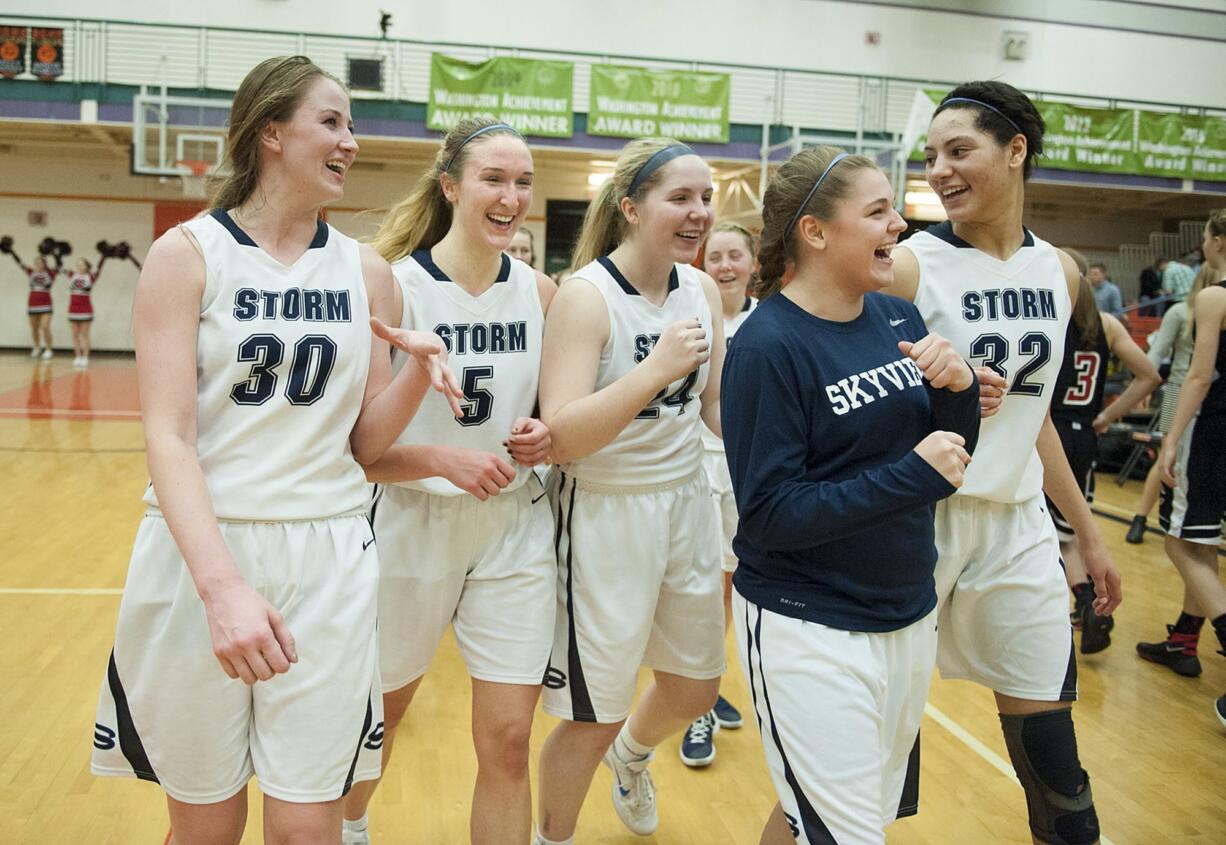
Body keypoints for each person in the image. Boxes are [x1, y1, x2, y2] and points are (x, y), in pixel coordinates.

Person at [89, 55, 463, 845]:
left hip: (327, 553)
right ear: (270, 132)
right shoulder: (186, 255)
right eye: (331, 121)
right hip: (202, 553)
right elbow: (168, 435)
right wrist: (223, 589)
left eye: (351, 126)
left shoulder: (366, 272)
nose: (350, 141)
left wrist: (418, 378)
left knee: (305, 825)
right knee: (207, 828)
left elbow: (365, 445)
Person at [723, 145, 979, 845]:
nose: (899, 223)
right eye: (878, 211)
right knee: (844, 833)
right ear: (815, 232)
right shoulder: (766, 346)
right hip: (808, 623)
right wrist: (911, 475)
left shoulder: (897, 319)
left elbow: (950, 459)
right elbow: (770, 513)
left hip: (905, 612)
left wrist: (958, 395)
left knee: (838, 818)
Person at [889, 81, 1123, 845]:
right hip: (919, 519)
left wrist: (1086, 535)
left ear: (1016, 151)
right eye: (932, 156)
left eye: (960, 151)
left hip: (1019, 525)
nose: (940, 171)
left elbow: (1039, 419)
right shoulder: (909, 267)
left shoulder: (1059, 271)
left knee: (1055, 760)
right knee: (879, 767)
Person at [340, 118, 557, 845]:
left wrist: (541, 435)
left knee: (506, 739)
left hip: (513, 526)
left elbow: (553, 415)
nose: (511, 196)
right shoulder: (396, 288)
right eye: (494, 179)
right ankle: (352, 824)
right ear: (451, 185)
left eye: (523, 181)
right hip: (410, 518)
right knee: (383, 713)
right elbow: (363, 449)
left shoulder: (541, 291)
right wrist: (443, 459)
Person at [532, 138, 726, 844]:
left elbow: (714, 409)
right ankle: (552, 836)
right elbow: (561, 434)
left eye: (706, 197)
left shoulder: (701, 290)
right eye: (681, 197)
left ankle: (634, 755)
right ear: (631, 207)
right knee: (592, 713)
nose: (699, 211)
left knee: (695, 687)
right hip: (605, 513)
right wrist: (650, 370)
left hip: (687, 501)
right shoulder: (587, 297)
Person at [1050, 249, 1160, 653]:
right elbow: (1149, 375)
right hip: (1087, 434)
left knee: (1056, 538)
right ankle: (1086, 606)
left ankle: (1081, 602)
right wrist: (1108, 415)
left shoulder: (1052, 319)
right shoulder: (1108, 324)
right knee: (1074, 531)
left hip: (1051, 431)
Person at [678, 221, 757, 768]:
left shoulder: (771, 321)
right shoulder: (690, 314)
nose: (725, 265)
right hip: (694, 466)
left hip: (745, 466)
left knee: (728, 588)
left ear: (754, 264)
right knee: (701, 588)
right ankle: (695, 706)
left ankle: (707, 682)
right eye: (716, 257)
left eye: (735, 256)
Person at [1144, 210, 1226, 726]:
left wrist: (1170, 439)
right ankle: (1183, 640)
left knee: (1178, 541)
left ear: (1218, 241)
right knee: (1204, 542)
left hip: (1215, 427)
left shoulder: (1214, 297)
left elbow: (1198, 377)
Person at [1124, 264, 1216, 546]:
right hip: (1178, 390)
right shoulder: (1179, 312)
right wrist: (1144, 385)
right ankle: (1141, 516)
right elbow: (1158, 350)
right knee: (1167, 454)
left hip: (1212, 396)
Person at [7, 248, 60, 359]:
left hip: (46, 304)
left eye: (40, 263)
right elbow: (20, 262)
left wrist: (54, 254)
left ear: (45, 264)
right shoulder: (31, 272)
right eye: (36, 263)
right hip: (32, 304)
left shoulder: (50, 274)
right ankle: (37, 347)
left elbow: (59, 264)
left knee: (45, 327)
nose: (38, 265)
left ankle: (49, 349)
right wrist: (12, 251)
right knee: (34, 328)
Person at [67, 254, 108, 367]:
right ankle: (77, 356)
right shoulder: (71, 275)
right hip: (73, 309)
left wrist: (104, 256)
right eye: (78, 265)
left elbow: (99, 269)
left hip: (85, 309)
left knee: (84, 334)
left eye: (82, 265)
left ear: (86, 267)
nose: (79, 267)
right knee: (75, 334)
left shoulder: (90, 277)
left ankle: (85, 356)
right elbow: (59, 267)